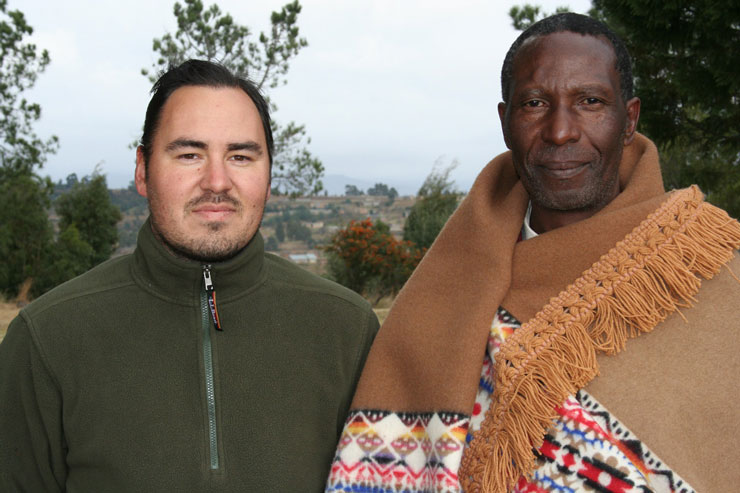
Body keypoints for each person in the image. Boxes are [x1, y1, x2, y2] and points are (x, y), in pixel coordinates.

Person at [326, 13, 740, 493]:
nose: (561, 131)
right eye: (536, 103)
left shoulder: (712, 272)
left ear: (629, 121)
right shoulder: (442, 295)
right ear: (505, 121)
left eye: (589, 101)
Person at [0, 59, 379, 492]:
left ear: (269, 174)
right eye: (189, 155)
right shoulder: (47, 340)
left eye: (240, 156)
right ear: (143, 170)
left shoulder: (347, 330)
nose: (216, 181)